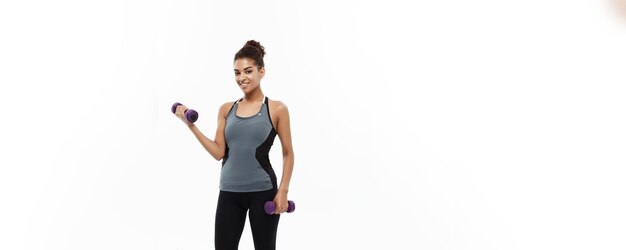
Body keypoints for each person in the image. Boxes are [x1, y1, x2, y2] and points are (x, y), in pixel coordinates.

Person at [174, 40, 294, 250]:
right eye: (237, 73)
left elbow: (288, 152)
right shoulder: (226, 109)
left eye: (248, 71)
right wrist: (190, 125)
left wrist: (283, 190)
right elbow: (219, 152)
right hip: (229, 192)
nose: (242, 78)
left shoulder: (276, 109)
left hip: (263, 191)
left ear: (261, 71)